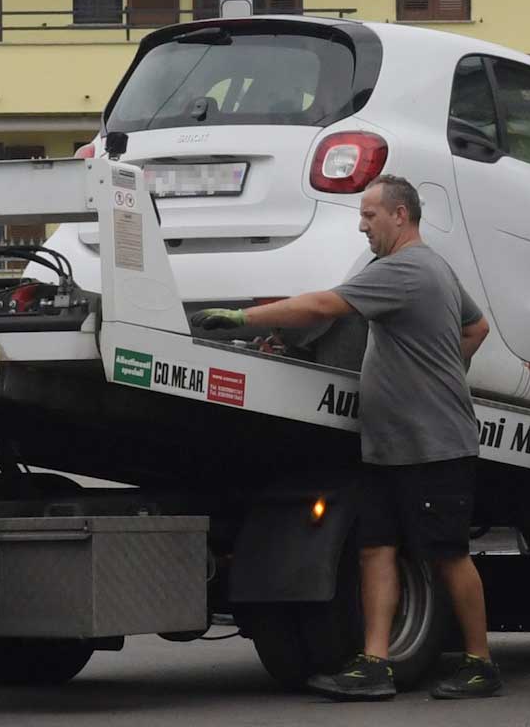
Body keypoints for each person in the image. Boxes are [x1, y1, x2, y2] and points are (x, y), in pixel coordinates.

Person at [191, 175, 500, 701]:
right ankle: (374, 662)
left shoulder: (406, 269)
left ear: (400, 215)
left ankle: (480, 663)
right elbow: (477, 330)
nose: (363, 226)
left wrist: (241, 317)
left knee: (447, 553)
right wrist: (441, 365)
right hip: (388, 445)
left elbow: (320, 307)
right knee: (375, 549)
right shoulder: (435, 269)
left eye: (370, 216)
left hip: (434, 444)